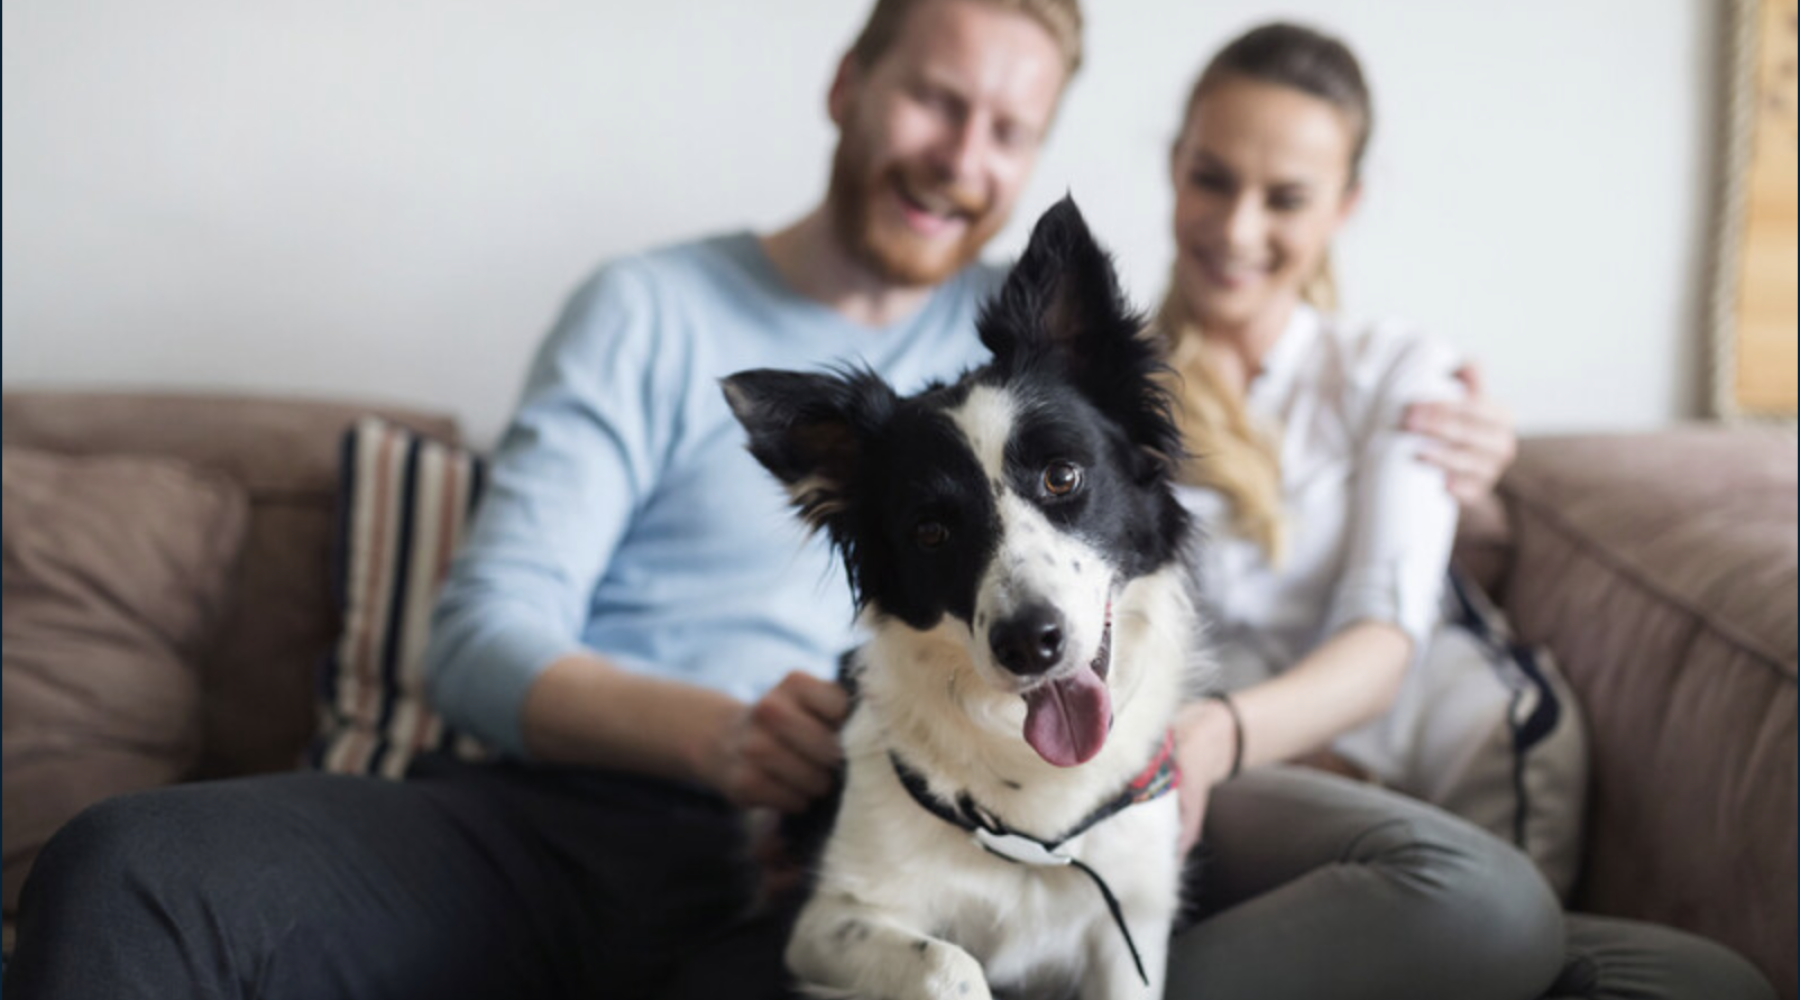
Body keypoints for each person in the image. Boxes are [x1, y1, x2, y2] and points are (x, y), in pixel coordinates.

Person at [0, 3, 1522, 998]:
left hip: (836, 881)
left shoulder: (1023, 342)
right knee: (127, 867)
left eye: (1008, 131)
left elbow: (1189, 406)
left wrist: (1449, 442)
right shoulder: (653, 308)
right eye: (936, 99)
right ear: (850, 80)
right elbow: (479, 633)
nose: (962, 158)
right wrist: (717, 735)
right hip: (551, 825)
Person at [1148, 22, 1777, 1000]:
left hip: (1309, 774)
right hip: (1197, 787)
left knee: (1707, 981)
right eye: (1213, 178)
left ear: (1346, 205)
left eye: (1286, 198)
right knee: (1477, 904)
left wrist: (1231, 728)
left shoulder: (1398, 372)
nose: (1236, 230)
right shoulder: (1094, 392)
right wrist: (1206, 744)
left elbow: (1384, 637)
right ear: (1173, 166)